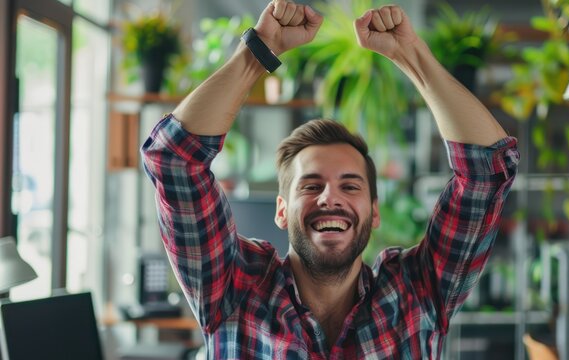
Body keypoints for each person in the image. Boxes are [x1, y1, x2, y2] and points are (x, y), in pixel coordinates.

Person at [141, 0, 519, 358]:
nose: (329, 197)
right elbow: (175, 161)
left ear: (374, 213)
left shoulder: (418, 293)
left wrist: (411, 54)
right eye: (310, 185)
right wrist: (259, 51)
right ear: (282, 210)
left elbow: (487, 172)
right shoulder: (232, 287)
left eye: (350, 185)